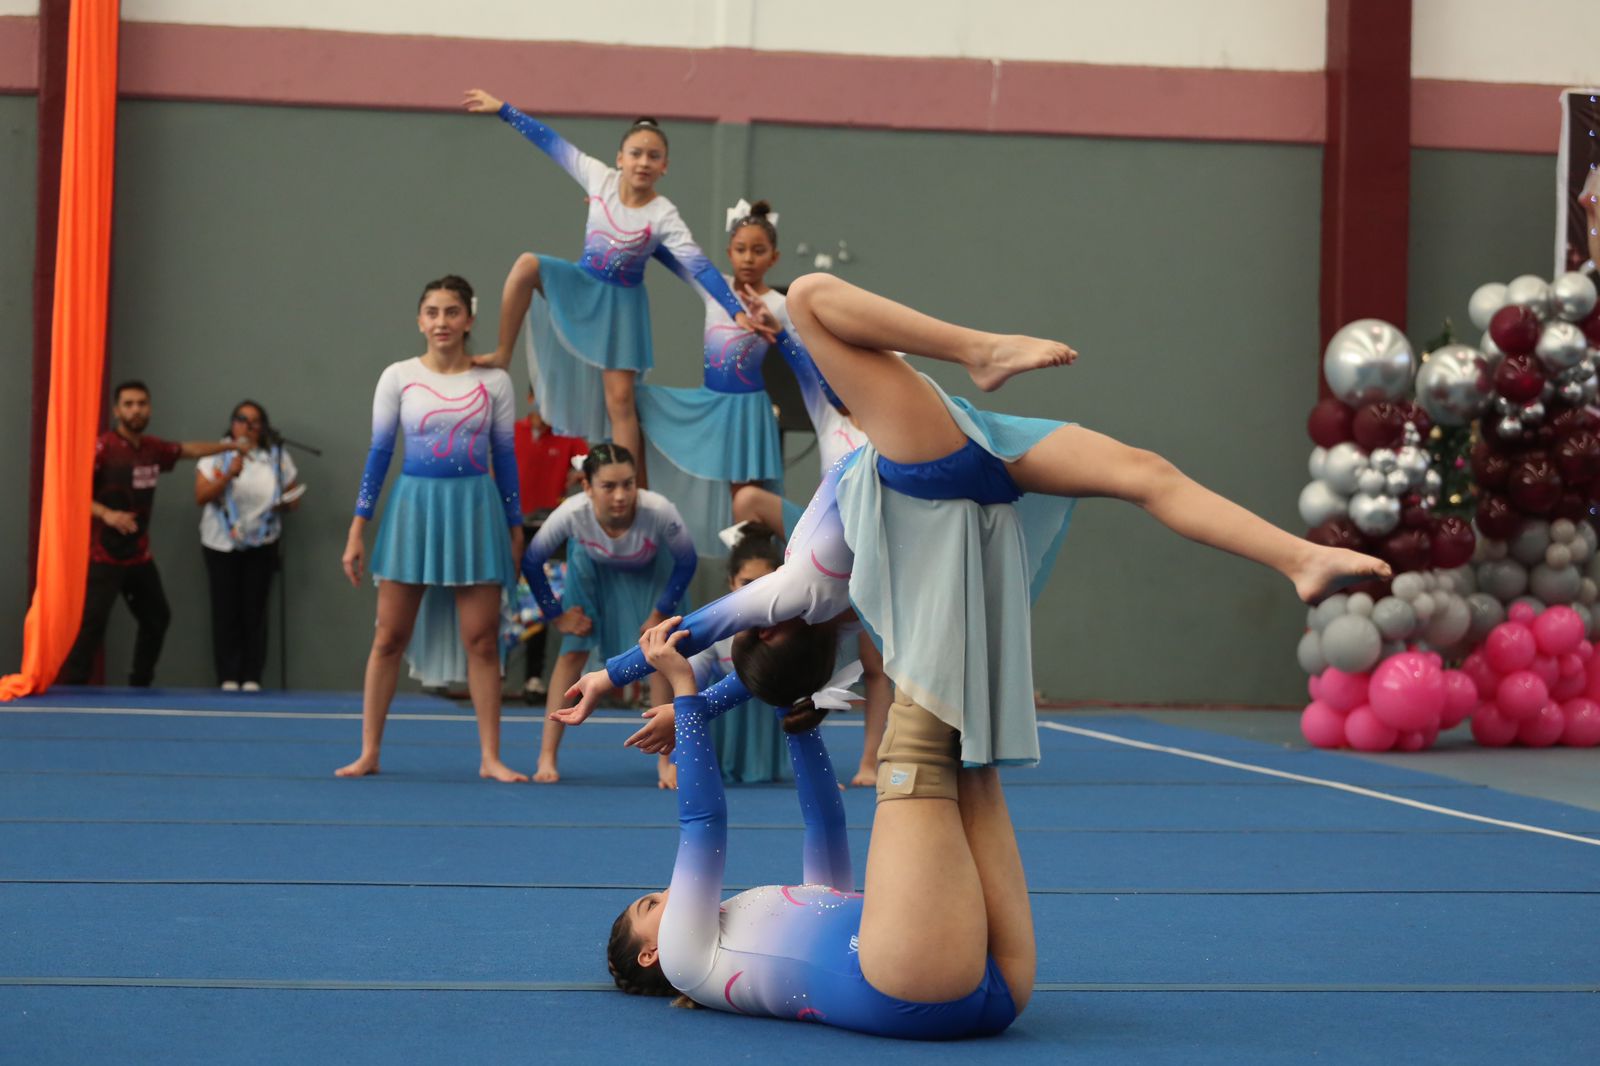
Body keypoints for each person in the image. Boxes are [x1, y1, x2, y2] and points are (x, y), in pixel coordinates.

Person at [556, 273, 1391, 773]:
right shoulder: (797, 590)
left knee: (1145, 474)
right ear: (771, 629)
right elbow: (703, 625)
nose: (752, 615)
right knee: (809, 294)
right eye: (756, 627)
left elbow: (761, 673)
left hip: (960, 454)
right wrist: (610, 673)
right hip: (923, 459)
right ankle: (981, 349)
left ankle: (1297, 560)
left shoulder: (823, 624)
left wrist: (698, 706)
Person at [604, 618, 1031, 1039]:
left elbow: (825, 825)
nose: (667, 891)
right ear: (650, 955)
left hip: (982, 985)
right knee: (922, 724)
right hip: (904, 980)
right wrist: (683, 691)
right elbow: (703, 823)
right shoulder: (687, 965)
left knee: (967, 744)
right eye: (651, 905)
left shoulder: (758, 914)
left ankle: (963, 612)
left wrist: (793, 713)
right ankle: (941, 606)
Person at [462, 90, 768, 476]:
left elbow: (700, 267)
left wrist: (735, 311)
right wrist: (504, 110)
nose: (643, 162)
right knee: (526, 266)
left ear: (665, 167)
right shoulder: (598, 178)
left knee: (620, 401)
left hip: (621, 306)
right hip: (582, 282)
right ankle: (502, 353)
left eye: (653, 156)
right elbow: (550, 142)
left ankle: (628, 485)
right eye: (636, 153)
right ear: (620, 158)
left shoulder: (663, 214)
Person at [337, 275, 527, 783]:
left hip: (475, 511)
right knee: (388, 637)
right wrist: (357, 529)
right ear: (419, 320)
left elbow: (506, 459)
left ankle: (490, 757)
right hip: (414, 510)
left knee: (482, 640)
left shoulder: (495, 382)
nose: (442, 321)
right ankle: (369, 751)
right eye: (433, 312)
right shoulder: (398, 376)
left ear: (469, 320)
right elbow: (379, 455)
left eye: (452, 312)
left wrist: (515, 527)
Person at [519, 443, 696, 786]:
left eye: (628, 484)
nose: (620, 496)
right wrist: (557, 616)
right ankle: (547, 754)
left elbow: (687, 562)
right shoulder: (572, 513)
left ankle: (666, 761)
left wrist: (659, 612)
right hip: (593, 570)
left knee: (660, 652)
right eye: (608, 486)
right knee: (573, 650)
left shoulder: (658, 509)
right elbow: (531, 562)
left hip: (651, 570)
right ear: (587, 486)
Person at [59, 381, 246, 687]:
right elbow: (72, 492)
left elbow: (188, 450)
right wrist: (107, 514)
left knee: (157, 617)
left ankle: (140, 683)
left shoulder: (152, 449)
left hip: (138, 556)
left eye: (142, 403)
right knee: (91, 623)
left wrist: (230, 447)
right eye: (129, 404)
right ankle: (72, 687)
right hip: (102, 555)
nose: (136, 410)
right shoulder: (103, 448)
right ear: (117, 410)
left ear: (150, 408)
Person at [633, 199, 793, 556]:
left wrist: (781, 333)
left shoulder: (779, 304)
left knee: (744, 499)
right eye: (741, 249)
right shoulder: (714, 287)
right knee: (633, 402)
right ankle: (642, 516)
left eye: (758, 251)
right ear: (729, 252)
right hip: (708, 404)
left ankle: (748, 564)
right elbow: (664, 251)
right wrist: (627, 214)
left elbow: (802, 355)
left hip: (746, 412)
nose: (748, 258)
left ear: (774, 257)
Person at [194, 399, 302, 691]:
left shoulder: (275, 457)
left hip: (262, 541)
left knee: (255, 610)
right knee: (225, 609)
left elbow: (293, 498)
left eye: (255, 421)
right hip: (221, 543)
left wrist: (284, 503)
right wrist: (229, 474)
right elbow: (201, 496)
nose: (248, 426)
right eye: (242, 419)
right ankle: (228, 676)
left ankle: (252, 675)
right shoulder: (216, 455)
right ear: (232, 424)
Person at [512, 386, 587, 700]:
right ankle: (500, 672)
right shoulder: (512, 432)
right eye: (541, 396)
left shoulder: (568, 436)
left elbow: (590, 464)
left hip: (550, 532)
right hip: (514, 529)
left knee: (546, 598)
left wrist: (578, 474)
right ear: (530, 398)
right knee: (510, 598)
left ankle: (538, 678)